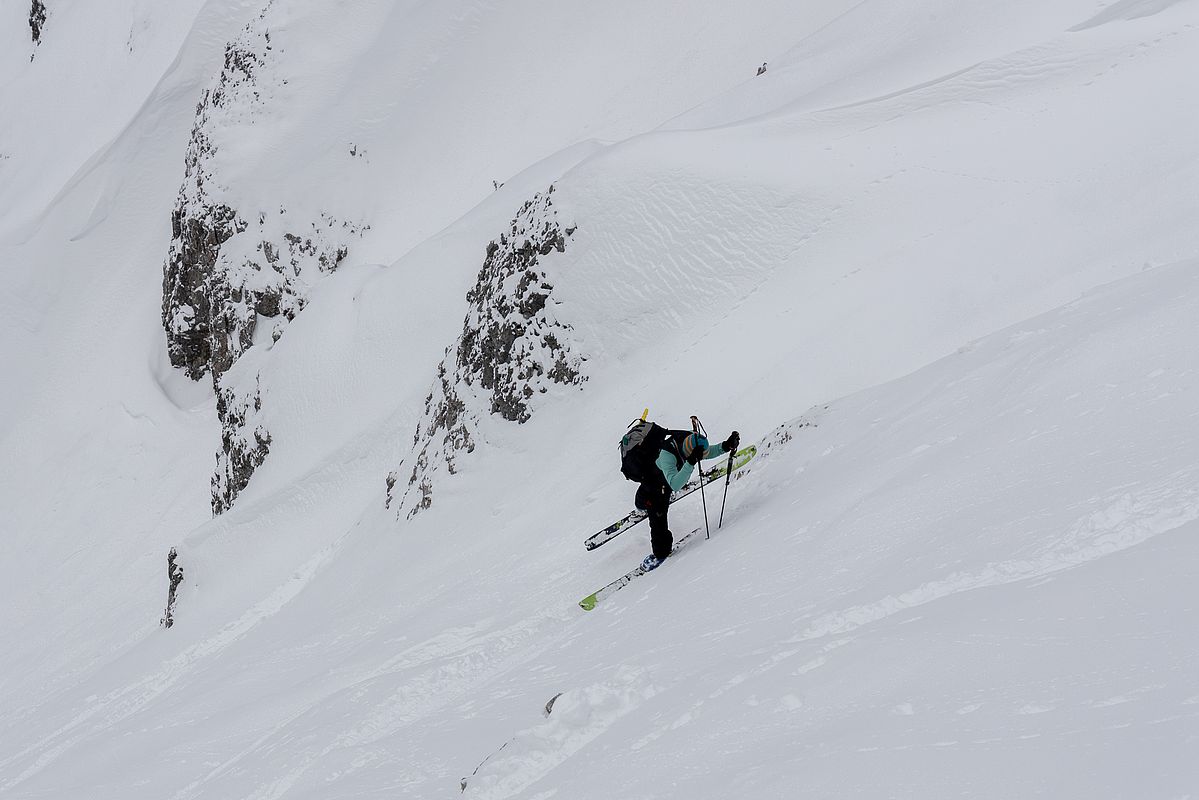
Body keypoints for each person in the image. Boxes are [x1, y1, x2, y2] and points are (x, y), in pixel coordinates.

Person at [635, 427, 739, 570]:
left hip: (665, 477)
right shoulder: (667, 455)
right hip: (655, 485)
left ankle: (640, 504)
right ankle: (661, 553)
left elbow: (706, 453)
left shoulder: (689, 441)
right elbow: (675, 484)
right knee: (658, 515)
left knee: (647, 496)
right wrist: (690, 463)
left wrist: (726, 446)